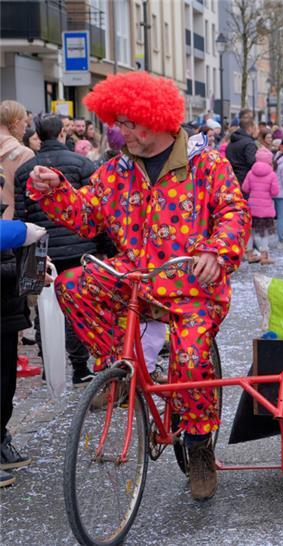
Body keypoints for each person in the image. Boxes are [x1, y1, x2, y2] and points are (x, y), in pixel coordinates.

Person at [25, 71, 250, 501]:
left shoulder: (206, 163)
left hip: (191, 288)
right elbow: (88, 214)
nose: (119, 131)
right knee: (72, 286)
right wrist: (56, 190)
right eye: (118, 122)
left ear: (159, 119)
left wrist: (215, 252)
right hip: (135, 280)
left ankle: (199, 445)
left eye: (129, 123)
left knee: (191, 356)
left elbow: (233, 213)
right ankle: (121, 368)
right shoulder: (117, 170)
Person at [14, 113, 101, 385]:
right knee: (78, 304)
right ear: (62, 133)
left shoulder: (26, 169)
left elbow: (20, 213)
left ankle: (48, 364)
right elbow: (97, 208)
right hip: (80, 246)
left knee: (45, 306)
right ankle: (80, 366)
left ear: (38, 135)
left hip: (42, 247)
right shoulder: (82, 163)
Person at [0, 166, 48, 488]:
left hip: (6, 309)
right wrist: (19, 233)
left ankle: (1, 441)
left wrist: (33, 265)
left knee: (5, 383)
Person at [241, 147, 279, 264]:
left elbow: (245, 188)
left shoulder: (251, 172)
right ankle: (264, 256)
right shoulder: (272, 174)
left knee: (251, 232)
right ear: (269, 161)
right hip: (266, 209)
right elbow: (275, 192)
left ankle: (250, 254)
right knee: (263, 233)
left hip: (252, 208)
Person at [0, 100, 34, 219]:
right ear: (15, 122)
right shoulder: (24, 154)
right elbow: (31, 196)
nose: (26, 126)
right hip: (12, 222)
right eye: (25, 121)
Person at [226, 109, 258, 184]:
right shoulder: (249, 143)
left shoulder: (232, 142)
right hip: (245, 180)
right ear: (250, 128)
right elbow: (252, 162)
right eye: (254, 128)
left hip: (232, 179)